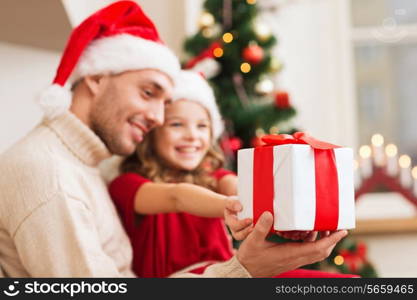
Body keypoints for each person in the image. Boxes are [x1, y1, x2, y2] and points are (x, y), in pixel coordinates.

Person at [0, 0, 347, 278]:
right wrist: (243, 271)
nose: (157, 118)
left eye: (165, 104)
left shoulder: (83, 168)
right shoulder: (50, 175)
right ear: (96, 79)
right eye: (148, 92)